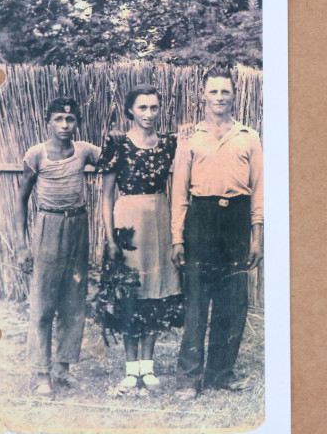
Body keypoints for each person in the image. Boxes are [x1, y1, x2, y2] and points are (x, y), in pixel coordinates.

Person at [171, 66, 263, 400]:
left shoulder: (248, 137)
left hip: (236, 219)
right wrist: (177, 237)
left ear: (234, 94)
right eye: (213, 91)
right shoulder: (191, 138)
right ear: (203, 95)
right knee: (196, 302)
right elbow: (179, 192)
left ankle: (220, 375)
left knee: (233, 303)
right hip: (202, 219)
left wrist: (257, 236)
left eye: (225, 91)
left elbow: (259, 190)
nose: (219, 97)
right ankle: (188, 378)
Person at [14, 97, 101, 397]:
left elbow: (114, 161)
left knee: (73, 301)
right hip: (48, 226)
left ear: (78, 122)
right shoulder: (36, 154)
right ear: (48, 122)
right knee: (43, 303)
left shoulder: (85, 150)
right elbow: (21, 201)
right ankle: (42, 372)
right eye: (58, 119)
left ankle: (63, 369)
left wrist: (117, 138)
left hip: (78, 226)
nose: (64, 125)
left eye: (70, 119)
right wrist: (21, 246)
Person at [99, 84, 182, 395]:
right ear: (130, 111)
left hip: (159, 221)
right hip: (128, 224)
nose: (149, 113)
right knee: (129, 295)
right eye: (142, 107)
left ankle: (147, 367)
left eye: (154, 107)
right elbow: (106, 196)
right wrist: (110, 239)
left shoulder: (169, 144)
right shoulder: (117, 144)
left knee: (155, 294)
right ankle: (130, 369)